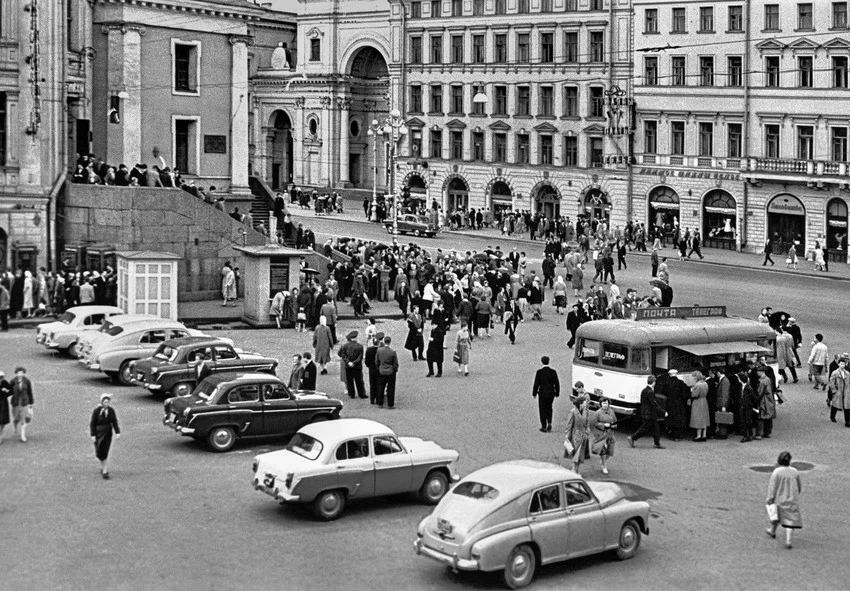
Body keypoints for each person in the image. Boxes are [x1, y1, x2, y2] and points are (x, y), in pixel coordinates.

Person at [765, 451, 803, 549]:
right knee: (790, 520)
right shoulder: (794, 471)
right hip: (792, 498)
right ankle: (788, 541)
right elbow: (799, 486)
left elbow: (773, 487)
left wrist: (770, 498)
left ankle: (772, 530)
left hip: (780, 498)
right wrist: (796, 494)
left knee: (775, 515)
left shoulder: (777, 471)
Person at [627, 376, 666, 449]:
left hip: (645, 412)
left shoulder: (644, 390)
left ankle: (657, 443)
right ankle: (632, 437)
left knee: (655, 428)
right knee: (645, 428)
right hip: (650, 414)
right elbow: (654, 403)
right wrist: (663, 411)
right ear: (653, 382)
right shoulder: (650, 392)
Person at [89, 393, 121, 479]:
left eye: (108, 402)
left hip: (107, 433)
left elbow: (114, 421)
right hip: (99, 433)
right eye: (105, 402)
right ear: (102, 402)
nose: (107, 404)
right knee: (99, 452)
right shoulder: (96, 411)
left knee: (105, 451)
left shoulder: (111, 411)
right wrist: (93, 434)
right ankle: (103, 467)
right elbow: (92, 423)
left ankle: (105, 470)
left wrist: (117, 431)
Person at [531, 356, 560, 432]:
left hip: (542, 393)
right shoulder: (553, 372)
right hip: (551, 393)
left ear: (542, 362)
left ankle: (544, 426)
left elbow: (536, 383)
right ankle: (549, 422)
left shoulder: (539, 372)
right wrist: (557, 392)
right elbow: (557, 383)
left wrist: (534, 393)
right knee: (549, 407)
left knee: (542, 409)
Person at [564, 397, 591, 474]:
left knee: (581, 454)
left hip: (583, 435)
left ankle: (577, 470)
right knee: (576, 453)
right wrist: (567, 437)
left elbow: (587, 421)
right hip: (575, 434)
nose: (586, 403)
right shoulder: (572, 412)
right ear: (580, 403)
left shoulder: (585, 411)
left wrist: (587, 429)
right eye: (585, 402)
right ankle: (573, 469)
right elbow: (569, 425)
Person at [590, 398, 617, 474]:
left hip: (610, 434)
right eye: (603, 403)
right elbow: (594, 423)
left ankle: (603, 461)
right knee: (603, 450)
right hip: (601, 434)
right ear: (600, 404)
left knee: (610, 451)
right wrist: (604, 425)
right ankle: (604, 466)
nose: (605, 405)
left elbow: (615, 421)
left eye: (606, 403)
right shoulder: (598, 413)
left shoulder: (611, 411)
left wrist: (614, 426)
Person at [338, 330, 366, 399]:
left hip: (348, 366)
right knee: (359, 381)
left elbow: (343, 355)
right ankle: (361, 394)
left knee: (350, 381)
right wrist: (354, 362)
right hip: (357, 366)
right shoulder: (360, 346)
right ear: (356, 338)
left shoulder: (345, 345)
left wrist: (348, 362)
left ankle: (351, 394)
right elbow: (360, 357)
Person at [10, 366, 34, 443]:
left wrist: (31, 404)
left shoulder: (27, 381)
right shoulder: (13, 381)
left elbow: (30, 392)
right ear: (16, 373)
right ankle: (15, 425)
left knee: (23, 419)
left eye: (21, 373)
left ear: (23, 373)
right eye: (18, 373)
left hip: (24, 402)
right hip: (15, 402)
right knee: (16, 418)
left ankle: (22, 435)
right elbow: (8, 391)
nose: (20, 374)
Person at [375, 335, 399, 408]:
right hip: (390, 371)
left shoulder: (379, 350)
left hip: (382, 370)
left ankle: (380, 403)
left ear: (384, 341)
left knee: (380, 387)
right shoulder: (393, 352)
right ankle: (390, 404)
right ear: (390, 342)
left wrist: (379, 368)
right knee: (391, 388)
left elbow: (376, 361)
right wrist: (395, 370)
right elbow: (395, 363)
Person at [827, 356, 850, 426]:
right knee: (836, 405)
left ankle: (847, 421)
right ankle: (832, 416)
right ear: (839, 364)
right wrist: (834, 390)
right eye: (841, 364)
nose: (842, 365)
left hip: (846, 391)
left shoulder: (848, 373)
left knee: (847, 407)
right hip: (838, 391)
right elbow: (831, 382)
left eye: (844, 364)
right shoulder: (835, 373)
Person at [755, 366, 776, 440]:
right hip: (769, 400)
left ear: (760, 372)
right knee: (768, 417)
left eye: (758, 372)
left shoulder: (762, 381)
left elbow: (760, 393)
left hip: (764, 401)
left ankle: (759, 434)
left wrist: (756, 401)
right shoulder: (768, 379)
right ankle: (767, 432)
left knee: (761, 417)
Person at [689, 371, 710, 441]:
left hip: (698, 402)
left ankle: (698, 436)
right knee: (704, 418)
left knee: (698, 418)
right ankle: (704, 435)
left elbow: (695, 395)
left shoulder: (697, 385)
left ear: (696, 377)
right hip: (704, 401)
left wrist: (691, 390)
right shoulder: (705, 383)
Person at [739, 371, 758, 443]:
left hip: (747, 407)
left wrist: (750, 404)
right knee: (744, 421)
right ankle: (748, 435)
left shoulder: (748, 388)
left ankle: (747, 435)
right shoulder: (742, 387)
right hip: (743, 406)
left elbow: (754, 398)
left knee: (747, 421)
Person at [365, 332, 383, 402]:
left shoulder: (369, 350)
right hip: (378, 369)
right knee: (379, 384)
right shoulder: (380, 350)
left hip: (371, 369)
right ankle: (378, 399)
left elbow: (366, 361)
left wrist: (369, 366)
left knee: (372, 384)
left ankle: (372, 399)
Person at [0, 371, 11, 443]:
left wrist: (7, 391)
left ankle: (0, 434)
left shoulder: (4, 383)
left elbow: (11, 390)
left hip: (4, 403)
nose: (0, 379)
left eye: (1, 377)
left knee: (3, 421)